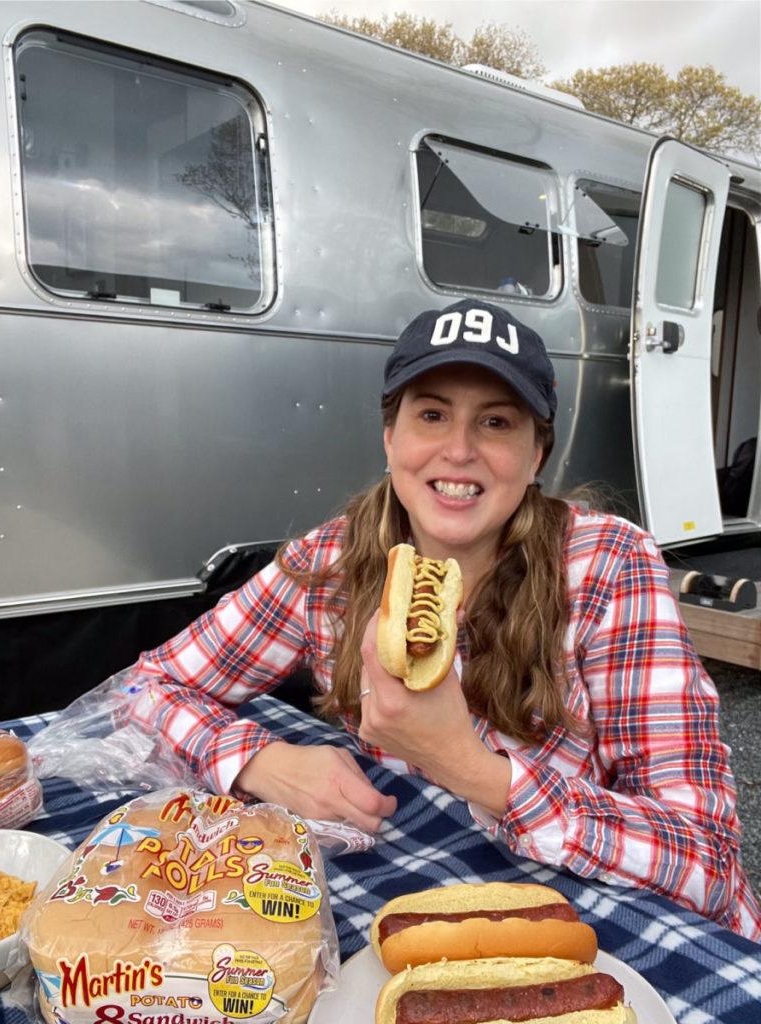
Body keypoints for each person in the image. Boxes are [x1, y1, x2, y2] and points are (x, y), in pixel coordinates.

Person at [127, 298, 761, 941]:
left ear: (537, 452)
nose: (458, 451)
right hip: (414, 892)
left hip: (609, 920)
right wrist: (258, 760)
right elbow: (146, 686)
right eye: (431, 414)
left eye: (495, 422)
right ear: (390, 437)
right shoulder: (331, 563)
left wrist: (467, 765)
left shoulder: (606, 566)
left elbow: (706, 861)